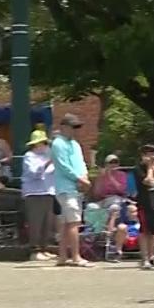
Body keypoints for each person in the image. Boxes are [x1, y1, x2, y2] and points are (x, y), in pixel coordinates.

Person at [51, 113, 91, 266]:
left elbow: (80, 162)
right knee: (74, 222)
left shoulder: (75, 144)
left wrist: (85, 177)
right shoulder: (58, 143)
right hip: (65, 188)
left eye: (77, 127)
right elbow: (63, 166)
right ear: (63, 127)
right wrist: (80, 179)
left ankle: (62, 257)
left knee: (67, 224)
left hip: (76, 187)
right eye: (73, 127)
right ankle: (76, 257)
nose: (75, 130)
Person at [22, 130, 57, 261]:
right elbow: (35, 173)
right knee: (35, 222)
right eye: (39, 143)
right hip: (34, 193)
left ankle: (44, 248)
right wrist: (49, 162)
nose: (42, 145)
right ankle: (34, 251)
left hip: (48, 191)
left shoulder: (47, 154)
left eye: (44, 143)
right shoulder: (29, 156)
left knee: (47, 223)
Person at [134, 145, 154, 269]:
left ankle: (152, 257)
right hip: (144, 203)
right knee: (144, 231)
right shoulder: (138, 169)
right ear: (143, 156)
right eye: (149, 154)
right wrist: (149, 167)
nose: (153, 157)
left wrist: (153, 167)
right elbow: (147, 180)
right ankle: (145, 258)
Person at [90, 154, 132, 227]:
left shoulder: (122, 175)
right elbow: (96, 193)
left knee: (113, 207)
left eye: (115, 162)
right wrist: (100, 178)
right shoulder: (102, 176)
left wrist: (111, 177)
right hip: (103, 200)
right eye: (110, 163)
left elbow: (122, 190)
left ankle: (110, 230)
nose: (113, 164)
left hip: (117, 198)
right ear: (106, 164)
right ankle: (95, 231)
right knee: (91, 207)